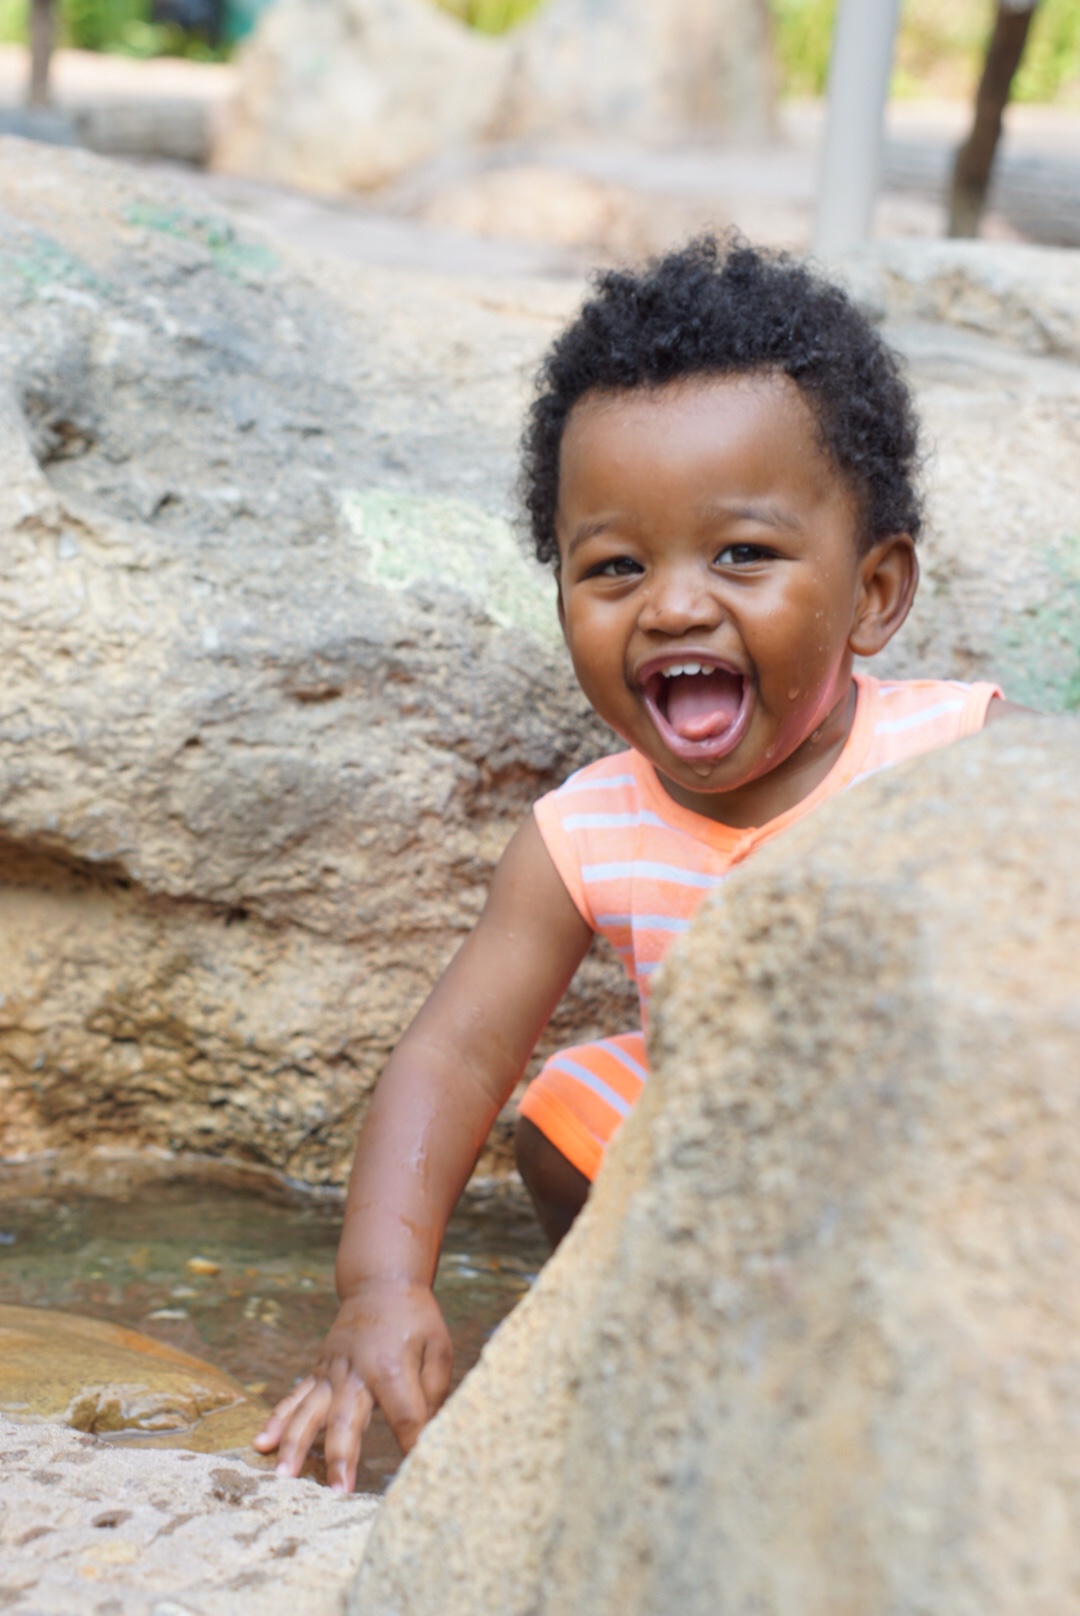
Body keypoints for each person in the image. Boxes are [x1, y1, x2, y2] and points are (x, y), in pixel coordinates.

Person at [255, 237, 1026, 1491]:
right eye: (614, 566)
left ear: (874, 590)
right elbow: (450, 1056)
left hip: (944, 1184)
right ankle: (666, 1359)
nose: (671, 606)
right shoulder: (587, 833)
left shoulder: (957, 753)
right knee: (573, 1103)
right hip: (729, 1206)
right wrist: (379, 1287)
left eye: (742, 555)